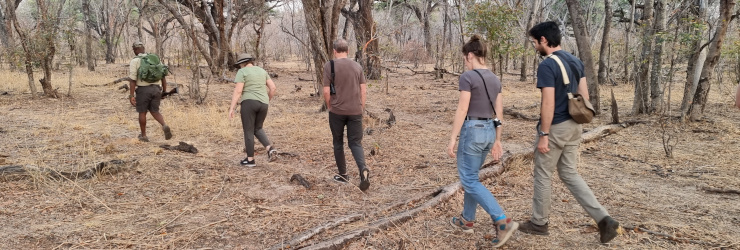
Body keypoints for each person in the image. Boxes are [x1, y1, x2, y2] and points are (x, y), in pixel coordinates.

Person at [519, 21, 619, 244]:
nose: (535, 46)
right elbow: (585, 96)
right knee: (569, 173)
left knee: (543, 174)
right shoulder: (576, 62)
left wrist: (544, 134)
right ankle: (603, 219)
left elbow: (548, 103)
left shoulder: (547, 65)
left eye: (535, 42)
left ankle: (538, 223)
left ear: (544, 40)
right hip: (576, 126)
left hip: (555, 127)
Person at [446, 35, 518, 248]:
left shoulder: (467, 78)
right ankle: (467, 220)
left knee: (468, 180)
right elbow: (499, 111)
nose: (465, 63)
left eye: (465, 59)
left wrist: (452, 138)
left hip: (472, 131)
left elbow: (462, 108)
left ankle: (501, 220)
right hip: (488, 132)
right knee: (472, 177)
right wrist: (497, 139)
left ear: (470, 55)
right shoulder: (495, 79)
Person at [322, 39, 370, 192]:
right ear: (348, 51)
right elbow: (363, 90)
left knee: (338, 142)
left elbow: (325, 91)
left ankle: (343, 174)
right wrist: (361, 107)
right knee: (355, 143)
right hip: (355, 110)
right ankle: (363, 170)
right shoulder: (357, 66)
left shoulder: (330, 65)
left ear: (334, 51)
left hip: (337, 111)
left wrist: (330, 106)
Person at [228, 53, 278, 167]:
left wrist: (232, 108)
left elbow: (238, 91)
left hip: (249, 103)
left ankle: (250, 160)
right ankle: (270, 148)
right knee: (258, 128)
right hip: (264, 103)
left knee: (248, 130)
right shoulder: (262, 71)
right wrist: (267, 100)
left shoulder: (242, 72)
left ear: (242, 63)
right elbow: (273, 88)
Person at [128, 41, 172, 142]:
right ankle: (164, 125)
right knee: (155, 111)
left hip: (143, 90)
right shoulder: (154, 58)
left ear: (135, 50)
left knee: (142, 112)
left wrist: (131, 96)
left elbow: (132, 80)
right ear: (143, 48)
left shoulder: (135, 61)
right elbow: (163, 76)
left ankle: (143, 136)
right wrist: (164, 91)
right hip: (156, 89)